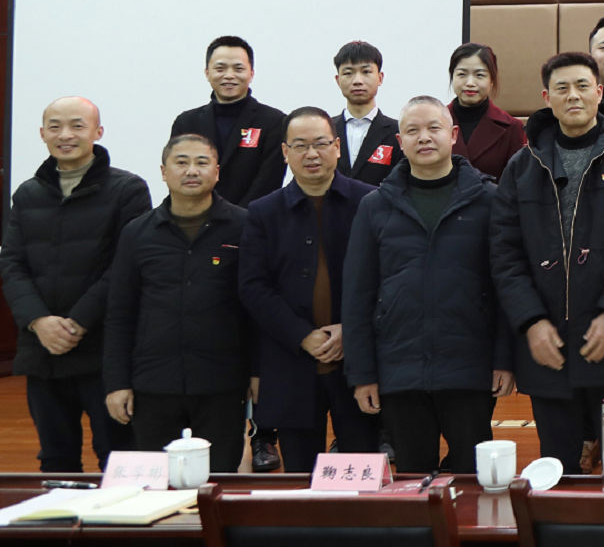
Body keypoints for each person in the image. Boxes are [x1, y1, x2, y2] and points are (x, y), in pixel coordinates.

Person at [491, 53, 604, 474]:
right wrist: (531, 322)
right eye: (562, 88)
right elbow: (505, 252)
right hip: (548, 346)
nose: (573, 96)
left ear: (599, 93)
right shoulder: (522, 165)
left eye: (583, 86)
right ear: (546, 98)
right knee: (558, 472)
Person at [346, 97, 515, 473]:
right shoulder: (375, 206)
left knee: (472, 477)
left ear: (452, 135)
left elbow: (504, 287)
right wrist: (362, 375)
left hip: (470, 367)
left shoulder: (489, 200)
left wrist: (504, 359)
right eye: (413, 131)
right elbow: (358, 296)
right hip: (400, 368)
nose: (424, 137)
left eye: (433, 128)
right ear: (400, 141)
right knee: (411, 476)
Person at [0, 96, 149, 472]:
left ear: (98, 132)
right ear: (42, 134)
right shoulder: (28, 193)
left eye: (77, 126)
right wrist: (39, 321)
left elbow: (126, 267)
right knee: (55, 461)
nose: (65, 135)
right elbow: (12, 263)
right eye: (55, 127)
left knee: (119, 458)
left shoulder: (127, 190)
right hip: (43, 351)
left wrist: (77, 322)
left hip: (103, 351)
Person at [238, 107, 380, 471]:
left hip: (358, 363)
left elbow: (384, 277)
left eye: (320, 143)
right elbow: (253, 286)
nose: (311, 154)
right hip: (291, 362)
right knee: (301, 474)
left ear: (337, 147)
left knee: (363, 471)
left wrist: (350, 330)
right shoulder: (263, 212)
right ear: (285, 152)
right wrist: (302, 335)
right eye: (300, 145)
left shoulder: (370, 202)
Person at [102, 134, 252, 470]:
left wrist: (257, 373)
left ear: (217, 172)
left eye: (201, 162)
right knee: (155, 482)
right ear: (163, 171)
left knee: (219, 479)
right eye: (181, 162)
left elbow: (254, 309)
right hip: (153, 382)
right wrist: (117, 383)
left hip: (222, 381)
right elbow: (120, 313)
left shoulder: (243, 226)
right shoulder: (137, 233)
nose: (191, 171)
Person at [170, 35, 288, 205]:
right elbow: (177, 174)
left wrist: (235, 217)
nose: (229, 75)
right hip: (196, 215)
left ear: (251, 73)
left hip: (254, 217)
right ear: (207, 73)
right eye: (220, 68)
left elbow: (269, 182)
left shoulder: (274, 122)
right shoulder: (186, 122)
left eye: (238, 69)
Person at [447, 43, 528, 179]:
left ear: (492, 80)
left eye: (479, 75)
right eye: (462, 74)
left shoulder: (512, 128)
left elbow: (517, 183)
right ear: (452, 77)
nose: (470, 83)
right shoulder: (435, 123)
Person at [330, 41, 400, 186]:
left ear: (380, 78)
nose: (357, 81)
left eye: (366, 72)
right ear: (338, 80)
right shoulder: (326, 131)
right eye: (348, 73)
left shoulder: (398, 132)